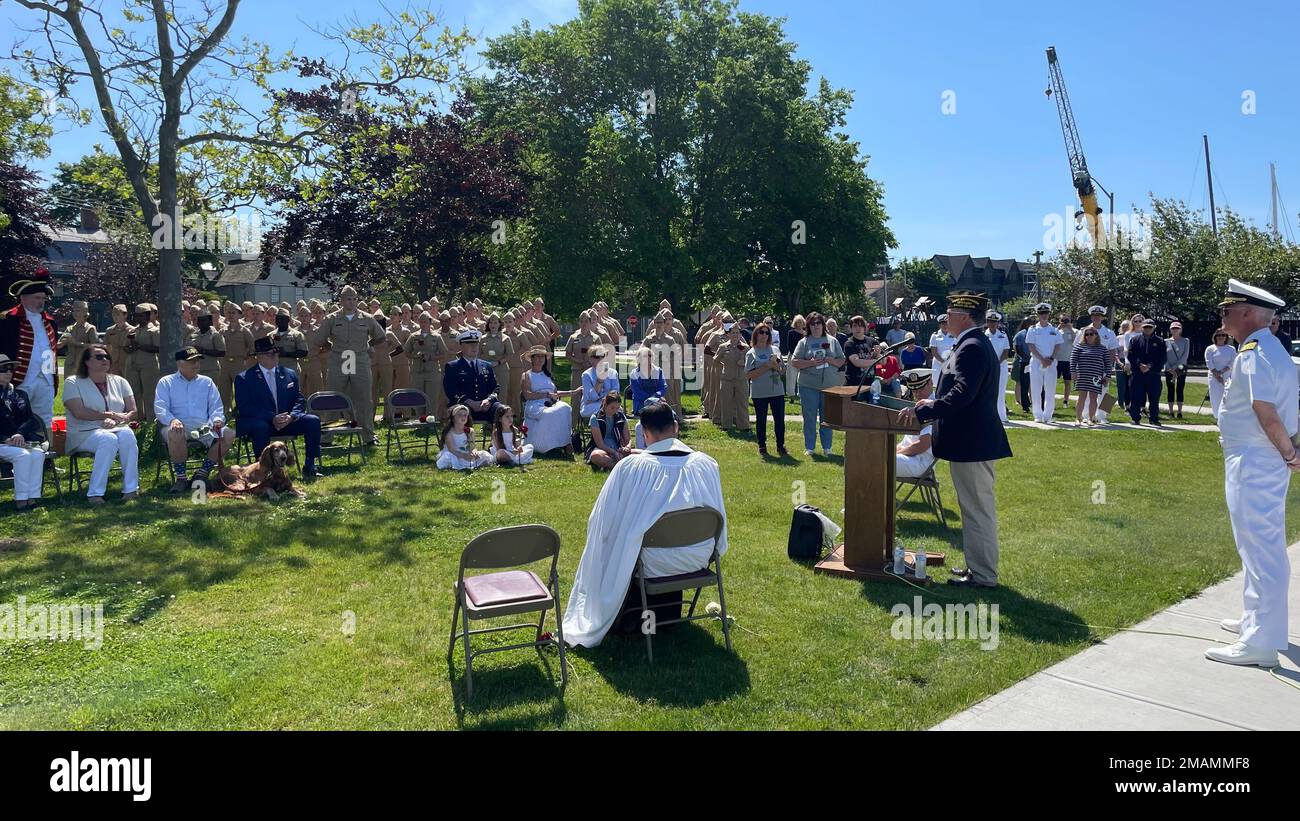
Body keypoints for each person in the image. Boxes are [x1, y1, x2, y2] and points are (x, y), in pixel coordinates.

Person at [561, 401, 729, 648]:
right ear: (676, 428)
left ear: (645, 433)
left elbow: (601, 520)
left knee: (618, 543)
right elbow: (718, 516)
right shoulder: (706, 464)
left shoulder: (631, 468)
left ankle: (625, 615)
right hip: (699, 556)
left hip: (652, 561)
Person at [1205, 280, 1299, 668]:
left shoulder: (1255, 352)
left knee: (1260, 548)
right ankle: (1260, 624)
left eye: (1228, 309)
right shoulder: (1271, 350)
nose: (1223, 314)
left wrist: (1289, 452)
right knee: (1258, 546)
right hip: (1260, 457)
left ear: (1247, 313)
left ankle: (1260, 642)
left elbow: (1266, 410)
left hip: (1255, 459)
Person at [899, 291, 1012, 589]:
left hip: (972, 442)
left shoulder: (972, 346)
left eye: (950, 313)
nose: (946, 317)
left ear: (964, 316)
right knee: (973, 509)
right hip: (970, 441)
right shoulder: (970, 344)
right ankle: (978, 570)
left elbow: (963, 394)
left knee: (977, 510)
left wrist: (929, 409)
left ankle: (985, 575)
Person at [234, 337, 324, 478]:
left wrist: (291, 416)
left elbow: (299, 400)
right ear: (259, 357)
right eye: (271, 354)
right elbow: (245, 407)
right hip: (261, 423)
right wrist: (272, 417)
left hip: (286, 421)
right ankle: (264, 469)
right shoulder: (244, 378)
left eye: (277, 353)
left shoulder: (288, 374)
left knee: (312, 420)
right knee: (260, 427)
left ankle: (310, 465)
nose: (275, 357)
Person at [62, 345, 140, 504]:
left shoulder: (120, 381)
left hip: (116, 428)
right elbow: (79, 412)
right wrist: (108, 415)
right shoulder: (73, 382)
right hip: (83, 433)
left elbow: (133, 411)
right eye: (99, 357)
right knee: (108, 439)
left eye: (107, 357)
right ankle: (95, 494)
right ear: (86, 362)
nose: (105, 360)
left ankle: (131, 489)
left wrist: (120, 419)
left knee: (128, 434)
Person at [311, 285, 386, 444]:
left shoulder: (366, 318)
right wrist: (331, 346)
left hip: (359, 359)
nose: (351, 302)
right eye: (348, 299)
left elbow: (381, 336)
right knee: (333, 396)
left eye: (354, 299)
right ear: (342, 300)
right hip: (340, 359)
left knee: (364, 398)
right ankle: (327, 436)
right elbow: (318, 340)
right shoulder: (332, 318)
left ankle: (368, 435)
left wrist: (367, 344)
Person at [155, 346, 235, 491]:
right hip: (177, 425)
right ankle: (181, 479)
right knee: (176, 432)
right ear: (179, 364)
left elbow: (216, 407)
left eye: (198, 360)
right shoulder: (166, 382)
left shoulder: (207, 382)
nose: (196, 364)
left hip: (204, 426)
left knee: (229, 433)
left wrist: (216, 420)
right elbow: (160, 408)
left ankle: (202, 473)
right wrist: (172, 420)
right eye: (191, 361)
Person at [0, 272, 59, 432]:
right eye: (36, 298)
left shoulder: (50, 321)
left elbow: (50, 351)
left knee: (45, 418)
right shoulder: (8, 319)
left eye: (43, 298)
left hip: (45, 379)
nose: (41, 302)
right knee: (15, 418)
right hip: (20, 379)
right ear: (23, 298)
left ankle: (46, 454)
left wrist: (51, 380)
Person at [791, 312, 845, 456]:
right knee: (809, 417)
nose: (816, 326)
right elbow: (794, 362)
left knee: (827, 418)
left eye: (818, 323)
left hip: (829, 385)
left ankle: (827, 448)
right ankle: (810, 447)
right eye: (812, 324)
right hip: (808, 385)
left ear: (823, 325)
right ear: (808, 326)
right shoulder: (804, 342)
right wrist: (811, 363)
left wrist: (830, 360)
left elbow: (841, 360)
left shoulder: (832, 341)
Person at [0, 354, 49, 509]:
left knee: (38, 453)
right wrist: (5, 439)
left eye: (10, 369)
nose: (8, 372)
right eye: (3, 369)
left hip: (19, 440)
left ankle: (32, 498)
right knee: (23, 456)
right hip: (2, 442)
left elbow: (30, 419)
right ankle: (21, 500)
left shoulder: (20, 394)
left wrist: (19, 433)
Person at [520, 346, 578, 454]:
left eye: (542, 357)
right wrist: (545, 394)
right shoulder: (527, 375)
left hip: (551, 403)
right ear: (532, 359)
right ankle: (547, 446)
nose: (540, 359)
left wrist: (573, 392)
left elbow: (555, 393)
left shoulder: (547, 375)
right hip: (535, 404)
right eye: (537, 357)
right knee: (548, 413)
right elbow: (527, 395)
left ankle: (566, 443)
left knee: (566, 408)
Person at [746, 323, 787, 457]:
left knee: (779, 420)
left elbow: (782, 371)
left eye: (767, 333)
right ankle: (762, 446)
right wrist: (766, 366)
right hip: (760, 392)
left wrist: (776, 367)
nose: (764, 335)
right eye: (761, 332)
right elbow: (748, 375)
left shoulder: (775, 350)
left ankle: (780, 446)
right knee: (761, 419)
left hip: (777, 390)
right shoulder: (751, 353)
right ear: (756, 334)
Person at [123, 303, 161, 423]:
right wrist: (130, 346)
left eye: (143, 315)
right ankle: (137, 420)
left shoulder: (154, 331)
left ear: (149, 315)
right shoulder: (132, 330)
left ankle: (151, 421)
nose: (140, 318)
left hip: (148, 364)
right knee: (134, 393)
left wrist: (139, 346)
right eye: (137, 316)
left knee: (149, 393)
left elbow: (158, 348)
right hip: (132, 364)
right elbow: (125, 347)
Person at [1070, 325, 1113, 426]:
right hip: (1082, 375)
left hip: (1096, 377)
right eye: (1087, 334)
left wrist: (1107, 376)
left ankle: (1091, 418)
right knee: (1081, 398)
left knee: (1094, 398)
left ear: (1096, 335)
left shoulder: (1102, 348)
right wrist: (1073, 372)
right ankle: (1078, 418)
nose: (1089, 336)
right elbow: (1073, 360)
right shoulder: (1079, 346)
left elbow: (1108, 363)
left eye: (1091, 334)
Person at [895, 370, 935, 478]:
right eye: (914, 390)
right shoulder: (918, 406)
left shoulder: (932, 407)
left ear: (930, 383)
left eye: (921, 388)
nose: (917, 393)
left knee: (881, 462)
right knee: (877, 456)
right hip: (911, 457)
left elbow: (923, 444)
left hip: (921, 461)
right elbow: (907, 442)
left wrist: (898, 454)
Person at [1025, 303, 1061, 423]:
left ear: (1049, 314)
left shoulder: (1054, 330)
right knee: (1036, 389)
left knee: (1050, 390)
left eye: (1045, 313)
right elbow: (1031, 345)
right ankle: (1038, 415)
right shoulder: (1033, 329)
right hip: (1036, 362)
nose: (1044, 315)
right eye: (1041, 313)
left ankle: (1048, 415)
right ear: (1038, 315)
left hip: (1051, 362)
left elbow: (1057, 345)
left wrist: (1050, 359)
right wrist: (1042, 359)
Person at [1126, 318, 1166, 425]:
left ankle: (1153, 418)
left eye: (1150, 327)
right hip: (1137, 373)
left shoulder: (1160, 341)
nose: (1147, 329)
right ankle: (1135, 417)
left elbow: (1162, 357)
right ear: (1142, 327)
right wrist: (1139, 365)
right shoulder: (1135, 340)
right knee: (1135, 396)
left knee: (1154, 398)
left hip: (1153, 374)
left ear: (1154, 328)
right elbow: (1131, 354)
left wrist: (1150, 366)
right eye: (1145, 327)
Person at [712, 323, 751, 430]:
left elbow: (751, 363)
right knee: (726, 403)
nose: (735, 335)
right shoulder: (723, 347)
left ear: (740, 335)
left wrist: (743, 363)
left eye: (737, 333)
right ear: (728, 334)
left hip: (741, 379)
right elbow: (715, 361)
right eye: (733, 333)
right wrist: (723, 363)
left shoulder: (745, 347)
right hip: (727, 379)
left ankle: (744, 425)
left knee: (742, 403)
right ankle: (726, 425)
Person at [436, 403, 493, 470]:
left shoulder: (470, 431)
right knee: (448, 458)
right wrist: (463, 456)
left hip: (467, 454)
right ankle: (460, 465)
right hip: (455, 454)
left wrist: (474, 452)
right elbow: (452, 450)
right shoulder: (449, 433)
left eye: (465, 415)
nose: (463, 417)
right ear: (453, 418)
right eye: (460, 415)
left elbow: (472, 446)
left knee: (484, 455)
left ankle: (470, 464)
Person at [587, 390, 633, 470]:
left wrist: (627, 447)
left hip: (618, 448)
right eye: (612, 408)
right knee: (596, 456)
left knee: (641, 453)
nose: (615, 411)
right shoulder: (595, 418)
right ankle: (622, 467)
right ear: (605, 405)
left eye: (617, 408)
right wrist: (614, 453)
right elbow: (600, 444)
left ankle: (614, 465)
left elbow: (628, 439)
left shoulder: (621, 416)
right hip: (602, 449)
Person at [59, 300, 97, 382]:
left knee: (83, 388)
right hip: (70, 364)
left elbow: (95, 347)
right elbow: (58, 345)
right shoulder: (69, 329)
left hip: (83, 364)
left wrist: (76, 343)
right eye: (74, 311)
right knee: (69, 387)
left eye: (78, 311)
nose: (75, 313)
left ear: (85, 312)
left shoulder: (90, 328)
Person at [580, 344, 620, 420]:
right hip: (590, 407)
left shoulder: (613, 373)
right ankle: (600, 428)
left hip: (610, 404)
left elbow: (615, 394)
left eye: (603, 356)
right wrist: (599, 382)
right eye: (597, 357)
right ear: (591, 359)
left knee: (614, 409)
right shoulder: (586, 375)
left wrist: (604, 400)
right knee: (608, 410)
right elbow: (589, 398)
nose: (601, 359)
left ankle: (613, 430)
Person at [984, 310, 1011, 422]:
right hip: (987, 367)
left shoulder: (1003, 336)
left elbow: (1006, 352)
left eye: (994, 321)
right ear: (987, 322)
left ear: (998, 323)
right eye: (990, 321)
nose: (992, 324)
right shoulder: (983, 335)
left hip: (1001, 366)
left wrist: (997, 362)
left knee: (1000, 391)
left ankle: (1001, 416)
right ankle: (987, 415)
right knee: (987, 391)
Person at [1205, 328, 1236, 420]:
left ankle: (1227, 417)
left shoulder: (1231, 349)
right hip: (1213, 376)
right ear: (1215, 337)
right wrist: (1216, 374)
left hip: (1227, 375)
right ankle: (1217, 417)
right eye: (1219, 335)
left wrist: (1222, 372)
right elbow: (1209, 362)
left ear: (1226, 337)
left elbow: (1232, 362)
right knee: (1215, 397)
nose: (1221, 337)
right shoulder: (1210, 349)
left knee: (1228, 397)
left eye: (1223, 335)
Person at [491, 403, 533, 468]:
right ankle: (515, 460)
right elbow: (498, 449)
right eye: (507, 416)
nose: (510, 419)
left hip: (513, 453)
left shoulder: (514, 430)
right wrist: (512, 452)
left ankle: (513, 460)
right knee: (501, 453)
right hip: (503, 452)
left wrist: (519, 447)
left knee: (530, 447)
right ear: (500, 419)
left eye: (511, 416)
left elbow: (516, 443)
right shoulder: (496, 432)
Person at [1163, 321, 1190, 419]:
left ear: (1180, 329)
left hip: (1181, 367)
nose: (1175, 330)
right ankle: (1170, 411)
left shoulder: (1185, 341)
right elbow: (1163, 355)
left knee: (1180, 388)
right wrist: (1169, 367)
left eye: (1177, 328)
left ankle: (1179, 411)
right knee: (1170, 389)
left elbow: (1185, 356)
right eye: (1173, 328)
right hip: (1169, 368)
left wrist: (1176, 366)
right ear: (1170, 329)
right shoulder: (1166, 341)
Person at [628, 346, 667, 414]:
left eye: (650, 355)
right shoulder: (634, 373)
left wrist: (656, 396)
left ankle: (674, 421)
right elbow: (637, 392)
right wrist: (652, 399)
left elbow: (663, 387)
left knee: (664, 411)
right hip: (641, 403)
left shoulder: (658, 371)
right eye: (645, 355)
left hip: (656, 401)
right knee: (659, 411)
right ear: (639, 358)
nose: (649, 357)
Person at [843, 315, 878, 387]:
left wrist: (877, 354)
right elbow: (857, 362)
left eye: (860, 326)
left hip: (870, 383)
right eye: (855, 326)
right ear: (851, 328)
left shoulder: (873, 341)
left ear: (864, 328)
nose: (858, 329)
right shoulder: (849, 343)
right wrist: (876, 360)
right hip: (854, 384)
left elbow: (883, 361)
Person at [927, 314, 956, 388]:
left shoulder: (954, 335)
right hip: (938, 363)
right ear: (939, 325)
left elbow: (956, 348)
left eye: (946, 323)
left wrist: (949, 362)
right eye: (943, 323)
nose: (945, 325)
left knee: (950, 383)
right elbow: (934, 352)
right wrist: (943, 362)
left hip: (951, 362)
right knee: (936, 383)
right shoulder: (935, 335)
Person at [1011, 317, 1032, 413]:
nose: (1031, 324)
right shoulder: (1021, 334)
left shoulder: (1036, 333)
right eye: (1029, 322)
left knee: (1034, 384)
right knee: (1023, 384)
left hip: (1035, 361)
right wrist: (1026, 358)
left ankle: (1035, 402)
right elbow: (1017, 348)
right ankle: (1025, 405)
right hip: (1024, 362)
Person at [1055, 314, 1075, 408]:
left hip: (1068, 360)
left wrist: (1071, 330)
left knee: (1067, 382)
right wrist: (1058, 327)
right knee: (1053, 381)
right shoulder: (1057, 331)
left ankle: (1065, 401)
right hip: (1057, 359)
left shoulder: (1074, 331)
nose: (1065, 322)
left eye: (1067, 320)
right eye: (1063, 320)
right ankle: (1051, 399)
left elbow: (1076, 342)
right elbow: (1051, 339)